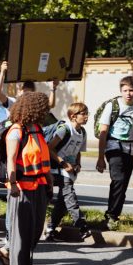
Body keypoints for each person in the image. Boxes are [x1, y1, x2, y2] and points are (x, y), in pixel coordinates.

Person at [4, 92, 53, 265]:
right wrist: (13, 184)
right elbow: (10, 159)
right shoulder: (16, 131)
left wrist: (49, 182)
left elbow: (43, 159)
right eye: (44, 108)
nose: (46, 111)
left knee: (36, 230)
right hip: (22, 187)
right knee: (23, 232)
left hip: (39, 185)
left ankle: (8, 252)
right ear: (35, 109)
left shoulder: (37, 129)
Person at [96, 75, 133, 229]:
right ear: (121, 91)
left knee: (123, 184)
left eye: (131, 90)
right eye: (125, 90)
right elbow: (103, 132)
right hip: (113, 146)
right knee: (118, 180)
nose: (128, 93)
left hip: (129, 148)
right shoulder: (112, 106)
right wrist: (100, 158)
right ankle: (111, 217)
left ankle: (114, 216)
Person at [45, 102, 90, 241]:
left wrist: (78, 164)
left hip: (68, 170)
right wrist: (63, 163)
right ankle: (82, 226)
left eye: (87, 113)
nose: (86, 117)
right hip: (56, 169)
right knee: (69, 196)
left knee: (62, 202)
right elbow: (49, 148)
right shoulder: (65, 129)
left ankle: (50, 229)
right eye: (83, 114)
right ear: (73, 116)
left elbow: (78, 152)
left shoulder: (82, 132)